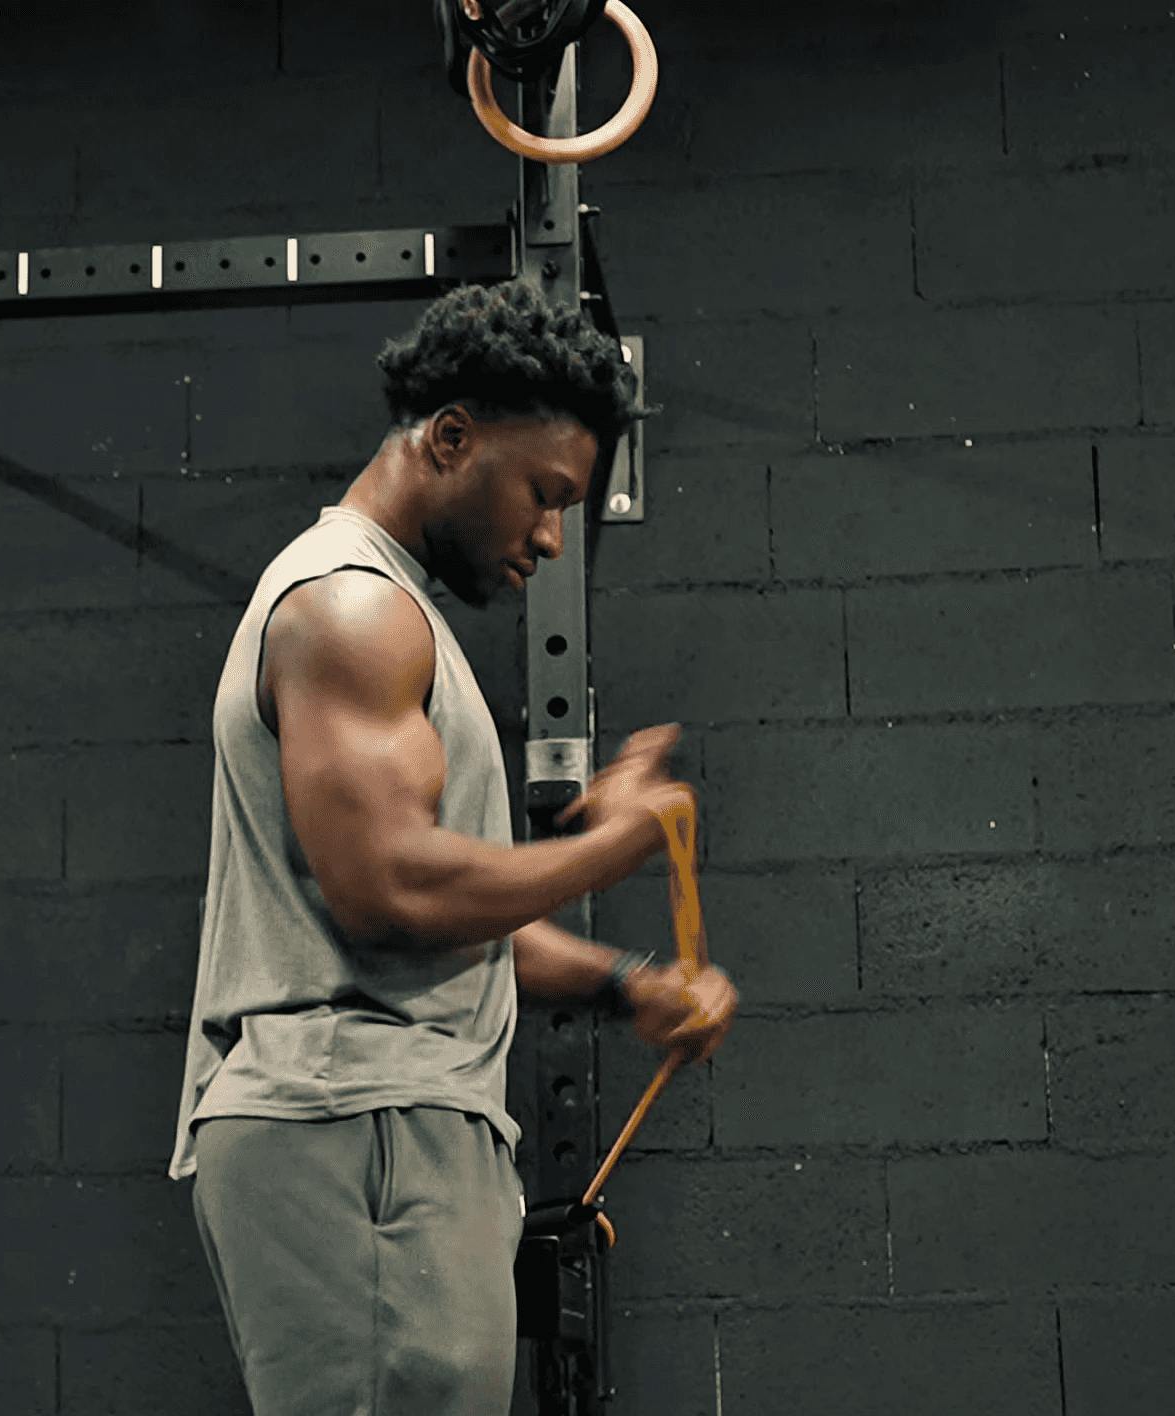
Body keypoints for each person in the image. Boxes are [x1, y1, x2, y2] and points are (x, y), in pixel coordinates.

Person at [168, 280, 740, 1416]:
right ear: (449, 437)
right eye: (544, 493)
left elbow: (445, 924)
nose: (546, 535)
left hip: (385, 1116)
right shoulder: (352, 612)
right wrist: (620, 841)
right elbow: (389, 890)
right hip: (358, 1122)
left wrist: (624, 984)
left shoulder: (393, 617)